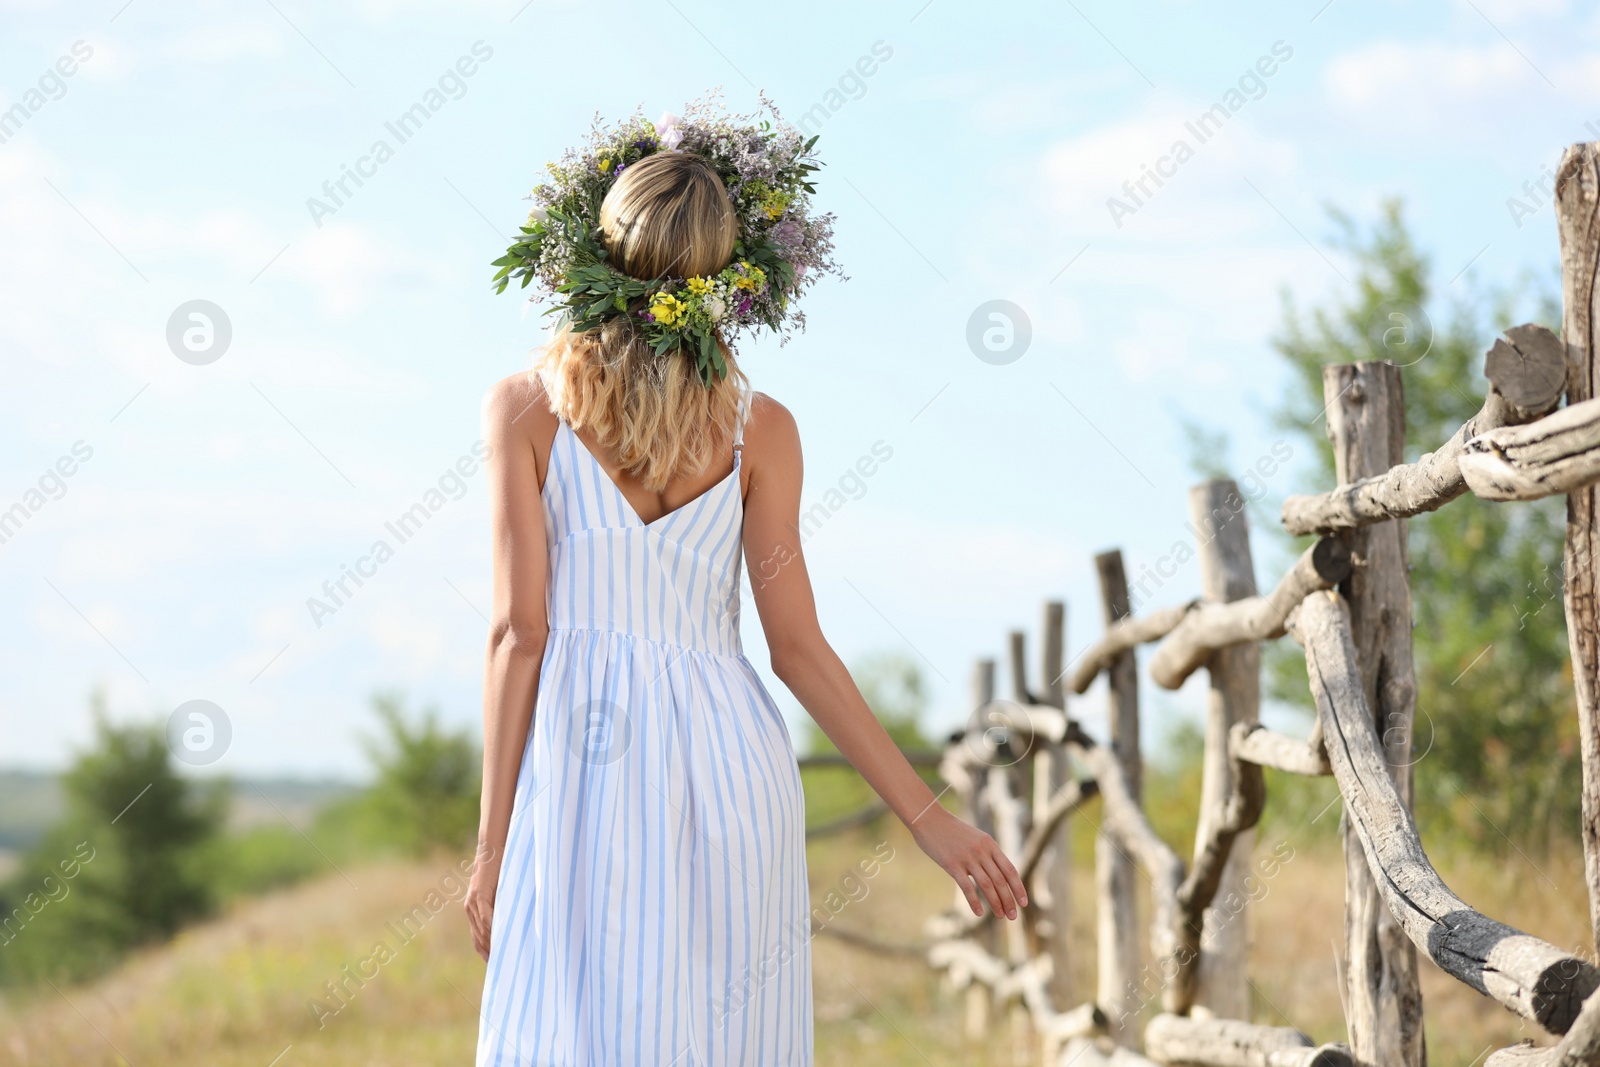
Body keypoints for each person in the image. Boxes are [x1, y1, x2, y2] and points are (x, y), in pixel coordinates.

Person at [466, 109, 1026, 1067]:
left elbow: (521, 635)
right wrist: (929, 819)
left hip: (582, 762)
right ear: (726, 273)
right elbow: (797, 649)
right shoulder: (759, 428)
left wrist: (491, 844)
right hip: (730, 765)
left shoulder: (526, 407)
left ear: (601, 247)